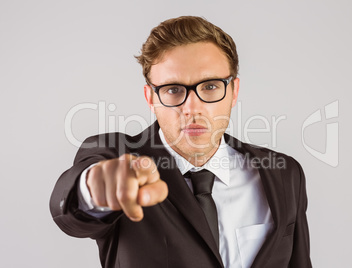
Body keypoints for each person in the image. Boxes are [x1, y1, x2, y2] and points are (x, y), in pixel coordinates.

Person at [50, 16, 312, 268]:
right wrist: (94, 190)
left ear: (234, 92)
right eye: (173, 90)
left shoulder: (284, 174)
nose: (192, 108)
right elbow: (74, 211)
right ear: (150, 98)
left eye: (210, 86)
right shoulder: (117, 157)